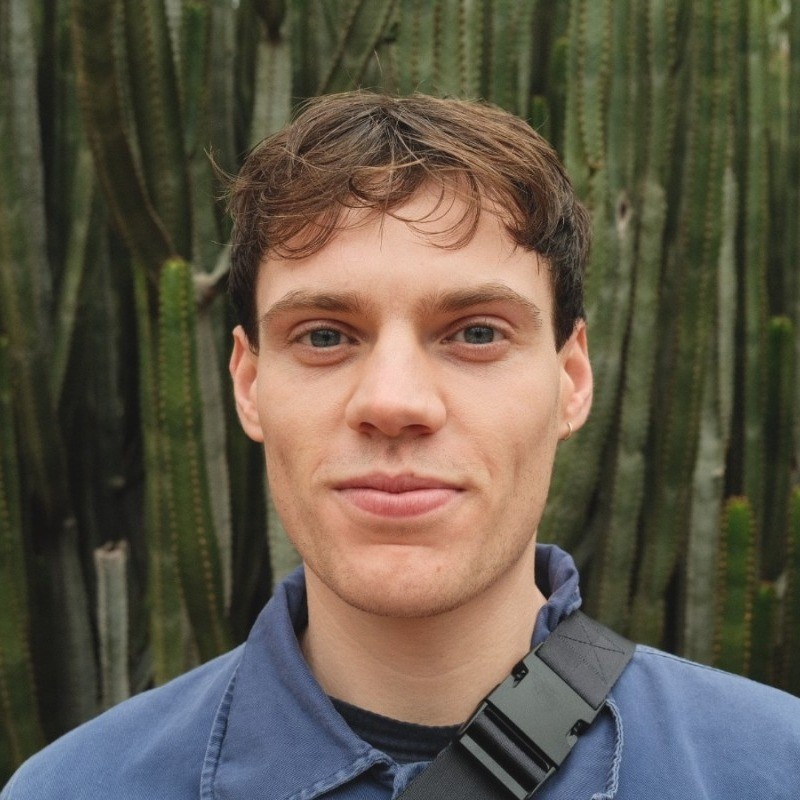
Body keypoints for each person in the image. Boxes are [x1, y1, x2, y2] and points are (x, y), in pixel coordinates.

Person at [3, 92, 799, 800]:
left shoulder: (773, 769)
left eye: (476, 333)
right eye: (324, 336)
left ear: (572, 380)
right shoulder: (72, 791)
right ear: (249, 384)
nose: (393, 403)